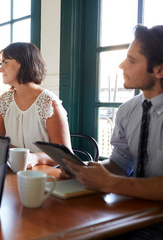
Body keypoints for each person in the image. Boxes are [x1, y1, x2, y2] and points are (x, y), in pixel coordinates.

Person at [63, 25, 163, 239]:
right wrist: (85, 171)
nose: (121, 65)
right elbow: (119, 164)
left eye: (132, 60)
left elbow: (114, 180)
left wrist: (108, 183)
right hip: (135, 214)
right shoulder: (128, 110)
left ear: (159, 70)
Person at [0, 42, 71, 167]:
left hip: (44, 177)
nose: (0, 69)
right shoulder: (4, 101)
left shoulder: (49, 103)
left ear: (23, 63)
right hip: (13, 173)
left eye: (5, 62)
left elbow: (65, 156)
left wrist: (34, 158)